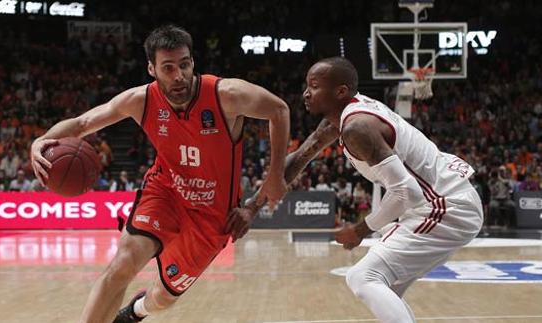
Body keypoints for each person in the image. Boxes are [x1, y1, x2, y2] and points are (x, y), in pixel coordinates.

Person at [30, 25, 290, 323]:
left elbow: (279, 110)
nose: (178, 75)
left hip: (211, 215)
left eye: (184, 64)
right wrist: (41, 140)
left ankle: (136, 310)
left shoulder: (226, 95)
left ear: (193, 62)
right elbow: (81, 123)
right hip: (165, 191)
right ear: (152, 69)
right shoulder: (141, 100)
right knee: (123, 264)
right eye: (168, 67)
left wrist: (274, 175)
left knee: (163, 298)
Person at [226, 57, 483, 323]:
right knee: (385, 290)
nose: (305, 93)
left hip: (445, 205)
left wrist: (360, 230)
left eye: (314, 86)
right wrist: (250, 208)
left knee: (363, 277)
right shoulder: (336, 122)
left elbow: (408, 193)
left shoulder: (358, 128)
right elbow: (297, 159)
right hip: (440, 202)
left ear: (341, 92)